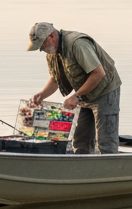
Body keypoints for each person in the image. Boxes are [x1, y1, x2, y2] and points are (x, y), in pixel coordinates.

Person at [26, 22, 122, 154]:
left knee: (106, 143)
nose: (41, 49)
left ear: (51, 36)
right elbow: (55, 78)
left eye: (41, 44)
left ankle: (110, 171)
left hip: (104, 90)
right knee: (80, 141)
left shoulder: (77, 44)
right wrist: (41, 95)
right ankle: (82, 172)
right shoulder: (52, 51)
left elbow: (99, 73)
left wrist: (76, 97)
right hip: (84, 92)